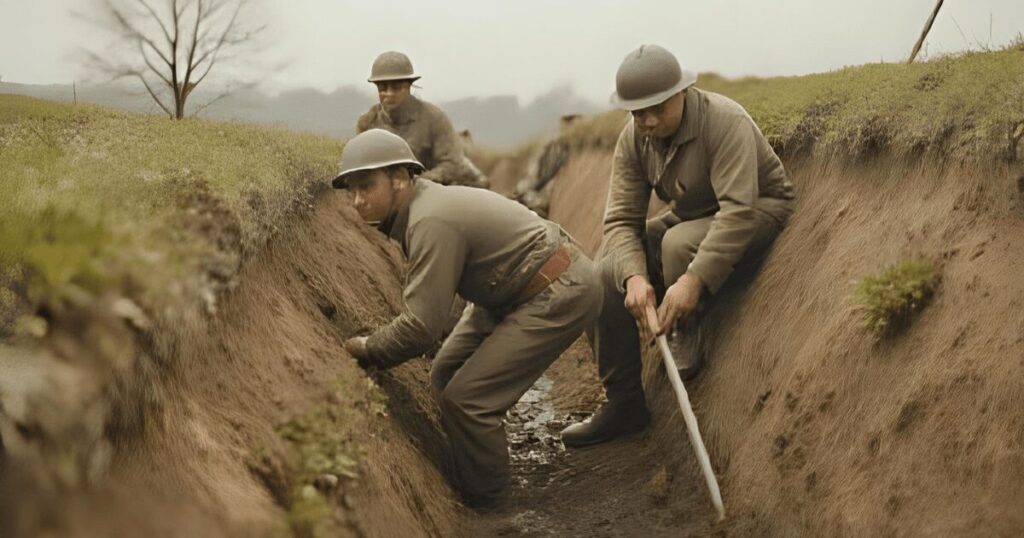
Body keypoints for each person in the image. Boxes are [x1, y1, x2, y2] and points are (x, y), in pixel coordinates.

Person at [335, 129, 601, 508]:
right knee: (445, 374)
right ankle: (467, 468)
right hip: (505, 291)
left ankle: (490, 502)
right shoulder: (420, 208)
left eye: (366, 186)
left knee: (468, 399)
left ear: (400, 179)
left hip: (557, 287)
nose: (358, 201)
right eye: (351, 191)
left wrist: (368, 348)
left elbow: (421, 327)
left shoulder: (429, 220)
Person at [561, 44, 795, 448]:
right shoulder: (634, 139)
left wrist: (693, 280)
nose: (649, 121)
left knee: (676, 245)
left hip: (756, 209)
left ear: (681, 92)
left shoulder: (725, 121)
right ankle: (624, 403)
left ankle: (687, 325)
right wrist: (633, 277)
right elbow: (620, 221)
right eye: (638, 113)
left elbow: (738, 211)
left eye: (658, 108)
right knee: (602, 274)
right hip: (692, 215)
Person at [356, 51, 488, 188]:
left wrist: (416, 182)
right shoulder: (368, 123)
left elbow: (452, 164)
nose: (389, 93)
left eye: (396, 87)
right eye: (383, 88)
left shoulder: (434, 118)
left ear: (409, 87)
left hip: (435, 188)